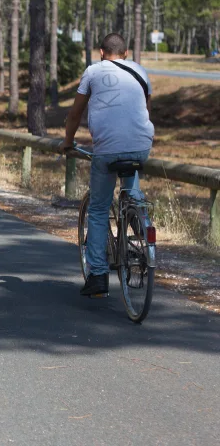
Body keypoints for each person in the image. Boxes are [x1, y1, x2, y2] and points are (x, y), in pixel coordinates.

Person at [61, 33, 154, 297]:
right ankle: (143, 234)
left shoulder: (92, 71)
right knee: (132, 191)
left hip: (107, 149)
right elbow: (145, 110)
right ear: (125, 53)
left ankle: (98, 275)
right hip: (140, 145)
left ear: (102, 52)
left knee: (100, 209)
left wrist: (68, 141)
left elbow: (75, 113)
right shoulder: (139, 70)